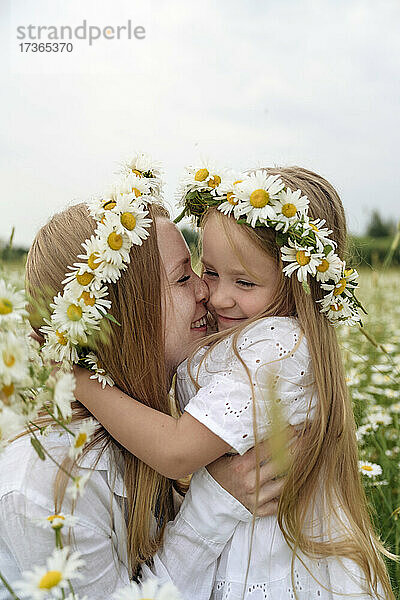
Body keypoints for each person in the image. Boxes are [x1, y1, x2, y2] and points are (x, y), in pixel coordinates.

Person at [72, 165, 395, 599]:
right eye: (209, 271)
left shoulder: (278, 344)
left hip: (279, 568)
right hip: (238, 543)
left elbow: (178, 452)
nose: (218, 296)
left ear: (299, 285)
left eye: (244, 282)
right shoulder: (240, 337)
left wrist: (80, 379)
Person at [0, 198, 284, 600]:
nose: (207, 290)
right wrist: (215, 502)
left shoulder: (148, 423)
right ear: (123, 309)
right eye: (183, 278)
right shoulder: (49, 482)